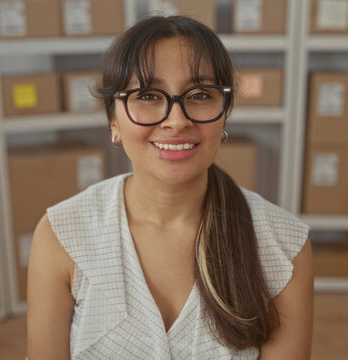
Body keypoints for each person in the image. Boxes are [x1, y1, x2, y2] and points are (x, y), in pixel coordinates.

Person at [26, 15, 313, 360]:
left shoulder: (284, 244)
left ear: (223, 116)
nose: (176, 121)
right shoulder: (62, 235)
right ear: (113, 122)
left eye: (200, 94)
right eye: (147, 95)